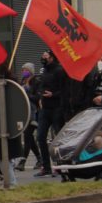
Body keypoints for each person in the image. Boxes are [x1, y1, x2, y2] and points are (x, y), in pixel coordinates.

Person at [34, 50, 66, 178]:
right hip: (45, 109)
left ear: (52, 58)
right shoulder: (44, 70)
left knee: (57, 138)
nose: (43, 58)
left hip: (57, 108)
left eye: (45, 56)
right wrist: (40, 96)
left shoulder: (59, 70)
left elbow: (64, 90)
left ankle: (60, 165)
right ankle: (46, 167)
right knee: (40, 137)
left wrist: (53, 94)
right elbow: (40, 86)